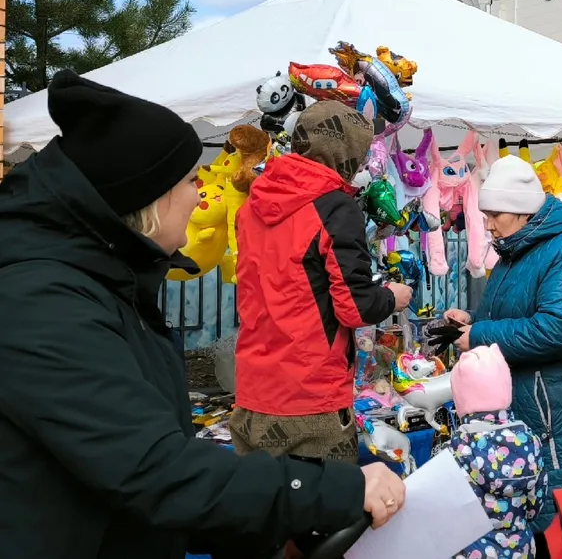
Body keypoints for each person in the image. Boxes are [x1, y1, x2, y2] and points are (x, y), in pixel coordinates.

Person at [0, 72, 406, 559]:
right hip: (312, 391)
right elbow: (154, 470)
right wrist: (331, 491)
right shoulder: (43, 303)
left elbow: (136, 477)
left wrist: (267, 528)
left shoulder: (110, 283)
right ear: (148, 196)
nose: (199, 195)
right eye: (191, 180)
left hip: (257, 390)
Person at [443, 155, 562, 542]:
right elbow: (514, 314)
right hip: (544, 419)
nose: (488, 224)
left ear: (522, 210)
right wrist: (472, 319)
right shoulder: (514, 254)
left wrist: (480, 335)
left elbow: (561, 328)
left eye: (495, 214)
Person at [233, 101, 411, 463]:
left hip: (252, 394)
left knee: (263, 497)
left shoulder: (252, 205)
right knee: (326, 498)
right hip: (311, 397)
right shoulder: (333, 208)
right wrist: (392, 297)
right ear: (346, 151)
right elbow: (356, 307)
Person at [449, 344, 546, 559]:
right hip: (521, 548)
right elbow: (535, 506)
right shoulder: (530, 442)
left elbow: (448, 513)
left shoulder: (458, 448)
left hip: (472, 551)